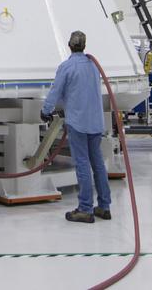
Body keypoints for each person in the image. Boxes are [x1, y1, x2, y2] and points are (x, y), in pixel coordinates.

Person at [42, 30, 112, 224]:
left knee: (82, 164)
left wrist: (46, 110)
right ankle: (104, 206)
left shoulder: (67, 67)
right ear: (84, 45)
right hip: (96, 123)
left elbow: (56, 90)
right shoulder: (93, 66)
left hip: (78, 123)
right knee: (97, 163)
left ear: (69, 45)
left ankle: (85, 208)